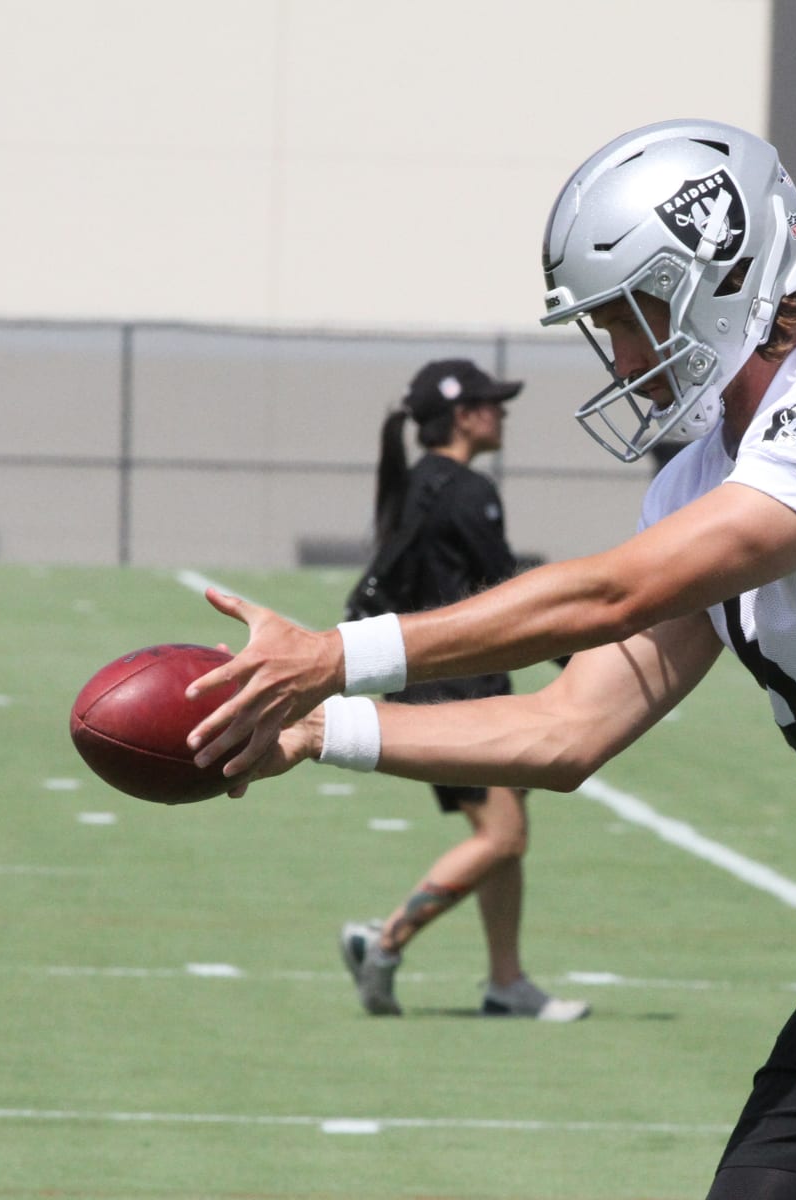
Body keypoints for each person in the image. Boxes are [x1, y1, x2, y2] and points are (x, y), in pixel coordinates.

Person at [186, 120, 796, 1198]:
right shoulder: (696, 479)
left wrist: (338, 655)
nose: (621, 355)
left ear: (727, 277)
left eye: (633, 314)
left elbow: (616, 590)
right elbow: (563, 731)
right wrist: (312, 732)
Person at [335, 359, 588, 1022]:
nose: (501, 413)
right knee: (502, 836)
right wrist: (578, 662)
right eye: (491, 403)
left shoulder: (422, 484)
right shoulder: (465, 491)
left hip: (436, 684)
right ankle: (383, 941)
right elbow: (509, 595)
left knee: (506, 829)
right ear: (463, 415)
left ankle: (506, 982)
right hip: (459, 692)